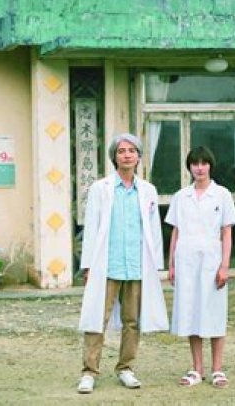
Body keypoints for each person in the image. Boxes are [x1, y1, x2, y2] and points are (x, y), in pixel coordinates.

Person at [76, 133, 168, 394]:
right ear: (114, 157)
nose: (126, 155)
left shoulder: (147, 190)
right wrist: (88, 265)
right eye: (121, 151)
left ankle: (126, 368)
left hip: (137, 265)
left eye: (131, 151)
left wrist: (155, 265)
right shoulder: (101, 189)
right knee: (97, 318)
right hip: (107, 264)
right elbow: (92, 227)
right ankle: (89, 372)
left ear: (138, 156)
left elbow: (153, 230)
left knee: (132, 320)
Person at [165, 146, 235, 389]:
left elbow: (226, 232)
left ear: (210, 166)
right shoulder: (181, 196)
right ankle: (196, 369)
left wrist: (225, 266)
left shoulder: (222, 194)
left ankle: (217, 369)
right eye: (195, 163)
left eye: (204, 163)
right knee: (191, 311)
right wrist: (171, 264)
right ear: (189, 167)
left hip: (212, 259)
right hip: (186, 259)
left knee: (214, 312)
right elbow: (176, 231)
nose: (199, 168)